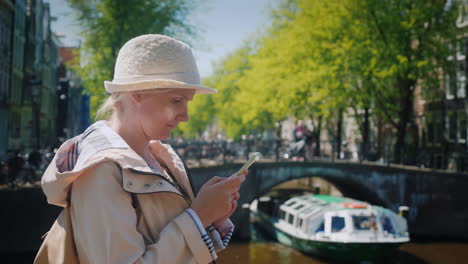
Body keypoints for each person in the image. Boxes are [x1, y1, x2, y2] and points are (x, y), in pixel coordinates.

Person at [38, 34, 245, 263]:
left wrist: (209, 218)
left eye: (187, 102)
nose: (185, 116)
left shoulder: (162, 158)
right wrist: (198, 216)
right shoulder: (102, 171)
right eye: (177, 100)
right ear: (136, 93)